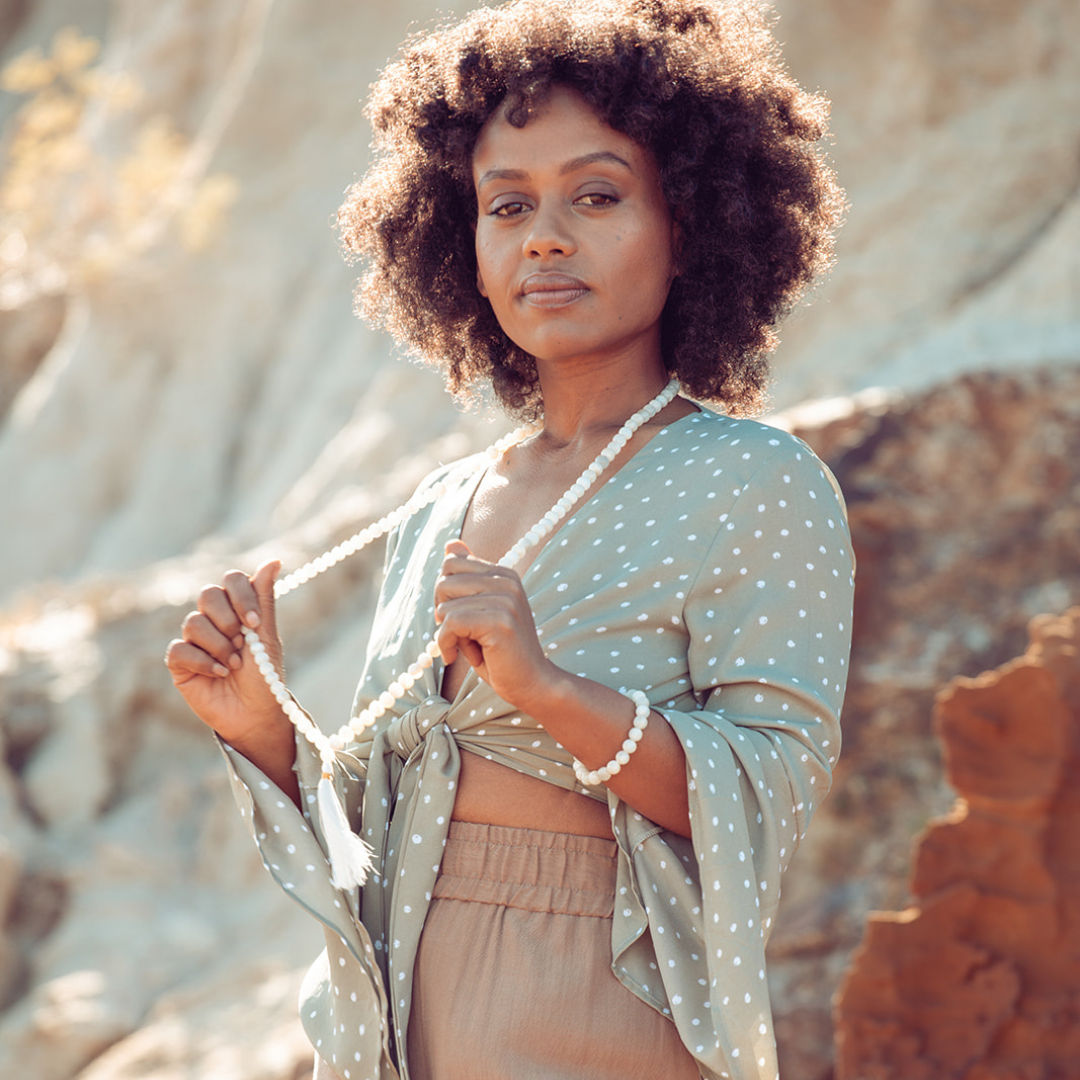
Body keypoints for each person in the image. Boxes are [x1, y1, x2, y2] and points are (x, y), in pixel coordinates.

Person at [165, 2, 852, 1078]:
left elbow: (770, 794)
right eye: (506, 204)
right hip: (413, 1004)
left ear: (695, 226)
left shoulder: (758, 482)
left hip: (606, 996)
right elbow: (368, 846)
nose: (545, 235)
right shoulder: (442, 503)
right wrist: (265, 733)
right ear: (459, 244)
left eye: (596, 195)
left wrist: (548, 688)